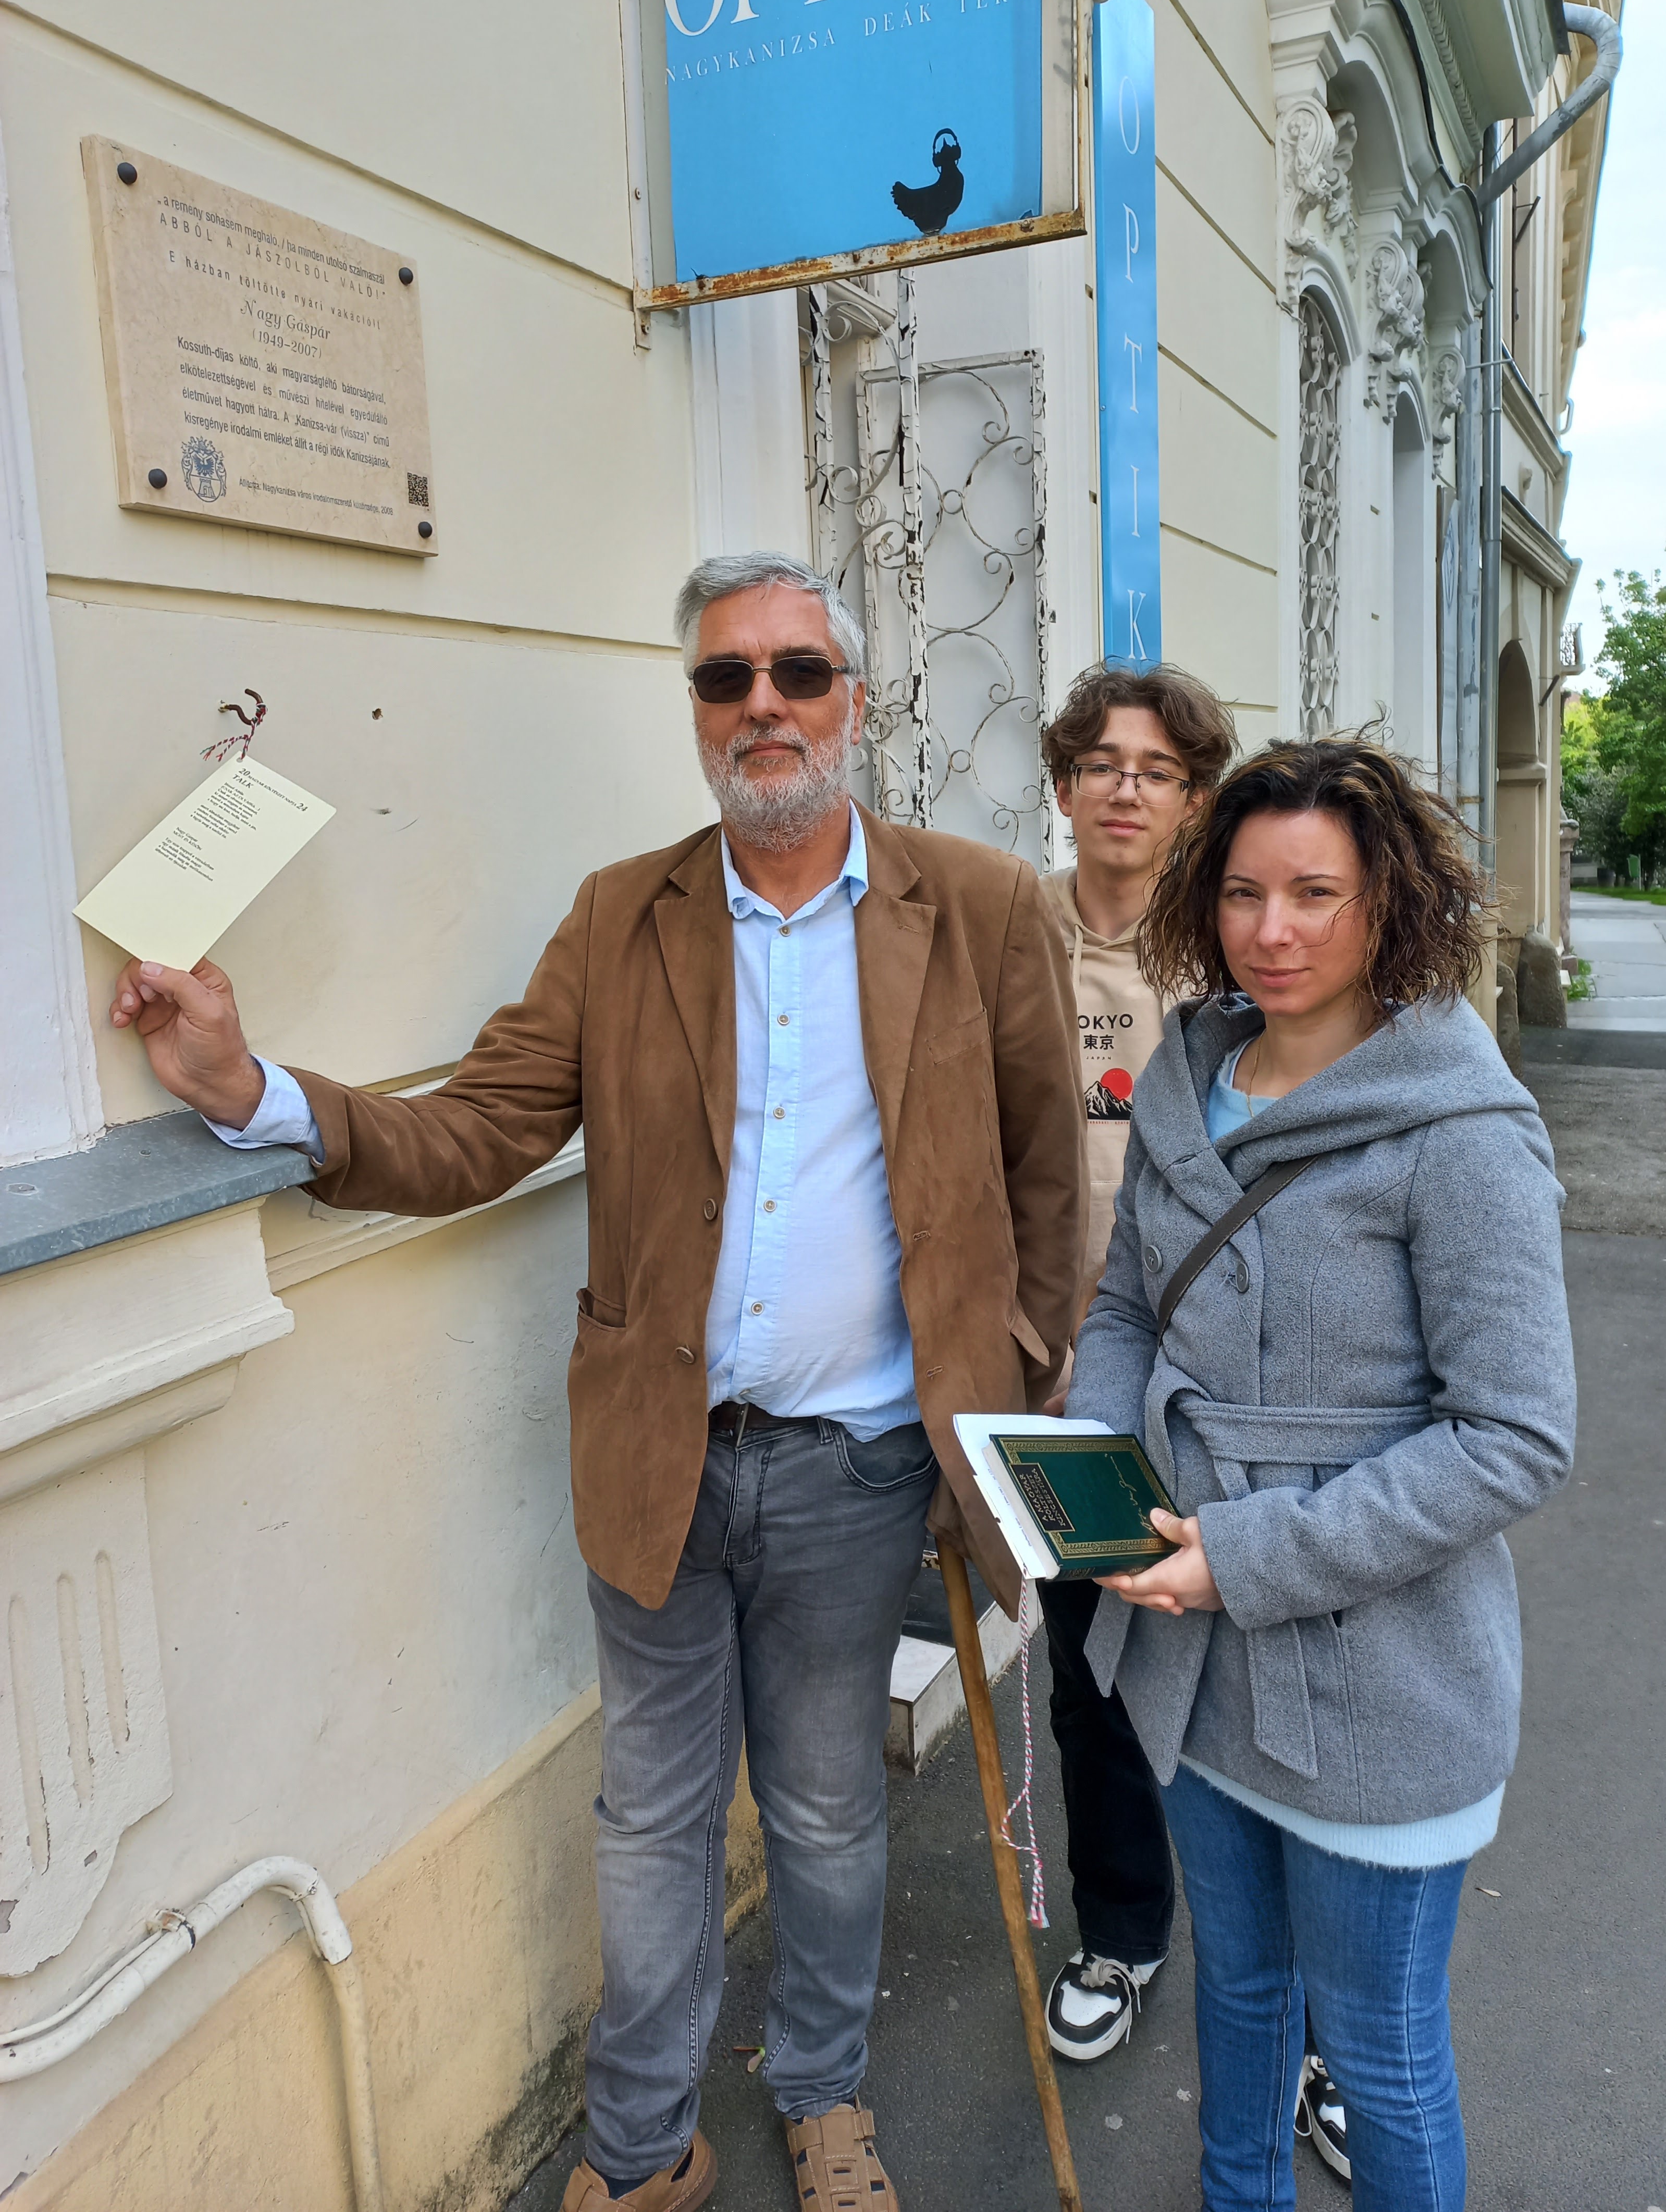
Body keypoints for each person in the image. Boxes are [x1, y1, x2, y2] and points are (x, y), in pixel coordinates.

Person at [109, 551, 1085, 2212]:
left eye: (795, 672)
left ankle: (825, 2099)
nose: (762, 705)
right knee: (650, 1820)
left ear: (853, 700)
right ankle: (640, 2150)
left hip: (859, 1468)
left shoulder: (981, 906)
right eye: (725, 678)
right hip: (658, 1459)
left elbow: (1045, 1188)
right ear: (696, 712)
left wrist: (1004, 1425)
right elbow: (480, 1126)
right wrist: (248, 1086)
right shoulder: (624, 914)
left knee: (827, 1814)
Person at [1071, 737, 1575, 2210]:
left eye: (1314, 895)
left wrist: (1243, 1557)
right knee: (1238, 2000)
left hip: (1380, 1682)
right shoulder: (1187, 1077)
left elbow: (1515, 1436)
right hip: (1192, 1663)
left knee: (1377, 2048)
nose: (1271, 931)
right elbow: (1124, 1305)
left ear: (1387, 904)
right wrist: (1095, 1480)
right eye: (1242, 893)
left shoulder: (1461, 1131)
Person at [1034, 664, 1235, 2063]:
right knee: (1092, 1672)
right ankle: (1120, 1930)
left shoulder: (1231, 953)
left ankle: (1308, 2005)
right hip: (1061, 1387)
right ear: (1062, 785)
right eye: (1102, 763)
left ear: (1194, 799)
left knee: (1253, 1689)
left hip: (1220, 1386)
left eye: (1157, 770)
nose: (1125, 788)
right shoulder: (1005, 938)